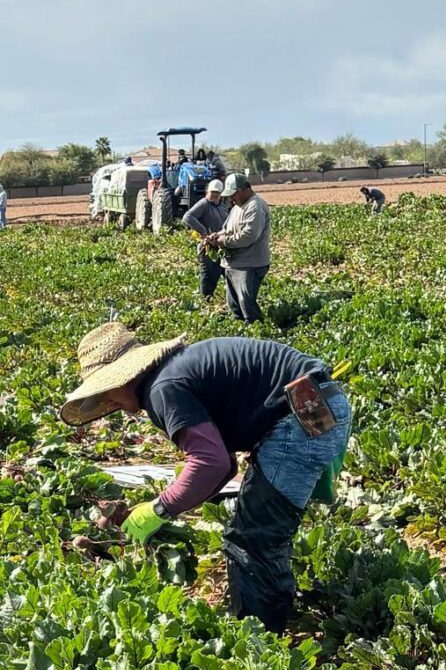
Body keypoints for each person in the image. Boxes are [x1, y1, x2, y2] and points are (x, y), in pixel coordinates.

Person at [61, 324, 351, 634]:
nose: (108, 401)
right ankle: (269, 618)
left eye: (107, 390)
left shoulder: (163, 389)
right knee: (259, 530)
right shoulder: (173, 374)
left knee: (253, 539)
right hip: (317, 405)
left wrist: (159, 509)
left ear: (126, 375)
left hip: (299, 419)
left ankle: (260, 638)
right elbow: (224, 465)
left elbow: (209, 462)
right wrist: (170, 505)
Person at [204, 172, 271, 324]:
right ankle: (240, 335)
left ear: (241, 190)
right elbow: (228, 228)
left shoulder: (255, 206)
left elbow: (248, 236)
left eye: (233, 195)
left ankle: (257, 336)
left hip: (249, 265)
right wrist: (217, 235)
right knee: (235, 306)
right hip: (234, 264)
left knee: (247, 306)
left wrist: (223, 241)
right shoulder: (238, 206)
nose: (231, 199)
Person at [182, 180, 229, 298]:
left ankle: (224, 298)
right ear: (207, 192)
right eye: (212, 192)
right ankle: (205, 299)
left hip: (221, 246)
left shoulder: (222, 207)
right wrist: (203, 232)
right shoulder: (204, 204)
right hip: (208, 247)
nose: (214, 195)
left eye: (217, 193)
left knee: (224, 272)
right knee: (207, 274)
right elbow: (187, 217)